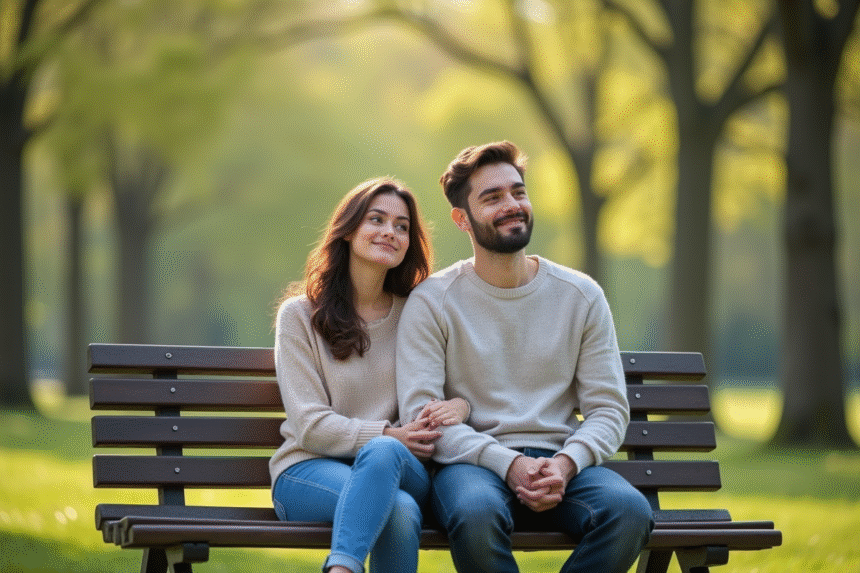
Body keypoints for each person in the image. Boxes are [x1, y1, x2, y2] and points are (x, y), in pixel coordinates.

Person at [396, 142, 654, 573]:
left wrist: (566, 463)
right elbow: (421, 417)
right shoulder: (432, 301)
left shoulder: (581, 295)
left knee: (629, 513)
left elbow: (608, 408)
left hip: (561, 460)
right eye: (492, 198)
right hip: (472, 464)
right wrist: (509, 463)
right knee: (476, 514)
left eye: (518, 192)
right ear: (462, 219)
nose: (512, 205)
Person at [270, 177, 470, 573]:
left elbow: (462, 389)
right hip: (308, 471)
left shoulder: (419, 313)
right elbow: (309, 425)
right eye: (376, 220)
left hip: (401, 467)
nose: (390, 232)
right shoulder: (299, 316)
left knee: (384, 454)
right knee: (398, 508)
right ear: (347, 231)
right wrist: (388, 434)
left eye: (402, 226)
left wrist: (460, 406)